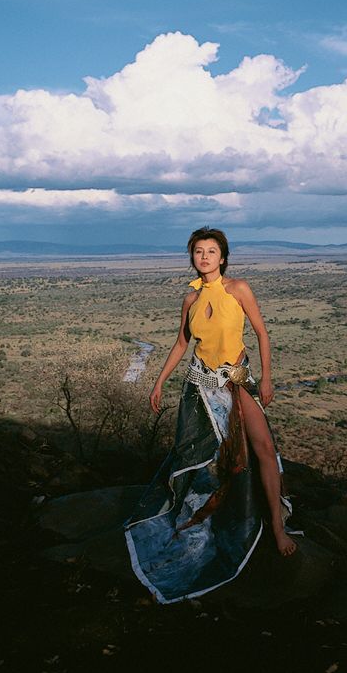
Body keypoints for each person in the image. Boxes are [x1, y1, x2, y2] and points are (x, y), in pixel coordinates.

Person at [124, 227, 297, 604]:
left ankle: (277, 527)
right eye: (198, 251)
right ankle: (210, 520)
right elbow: (182, 343)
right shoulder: (189, 298)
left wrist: (266, 378)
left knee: (263, 448)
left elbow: (262, 334)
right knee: (205, 461)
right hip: (200, 385)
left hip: (237, 379)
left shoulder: (239, 289)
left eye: (211, 251)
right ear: (193, 257)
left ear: (223, 257)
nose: (204, 257)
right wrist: (158, 382)